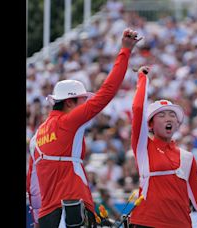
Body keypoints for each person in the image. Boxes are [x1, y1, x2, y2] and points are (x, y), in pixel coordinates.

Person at [26, 27, 142, 227]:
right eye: (82, 100)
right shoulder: (68, 122)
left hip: (47, 216)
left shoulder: (37, 136)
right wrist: (125, 51)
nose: (84, 104)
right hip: (72, 209)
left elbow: (33, 186)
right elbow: (106, 92)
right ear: (70, 102)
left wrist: (37, 219)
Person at [129, 66, 197, 227]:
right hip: (146, 222)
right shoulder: (143, 147)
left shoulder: (187, 157)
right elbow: (138, 109)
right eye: (161, 115)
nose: (168, 118)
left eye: (172, 115)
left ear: (177, 123)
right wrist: (143, 78)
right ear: (150, 125)